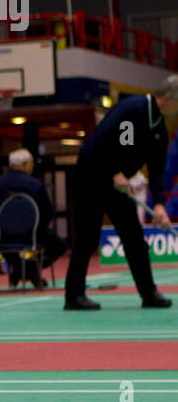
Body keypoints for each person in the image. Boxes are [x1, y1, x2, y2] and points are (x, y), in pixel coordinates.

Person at [64, 80, 178, 310]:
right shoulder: (132, 110)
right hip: (92, 176)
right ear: (168, 99)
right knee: (87, 237)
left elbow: (157, 170)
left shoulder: (159, 129)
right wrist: (115, 171)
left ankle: (149, 294)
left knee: (134, 238)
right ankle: (73, 296)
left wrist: (158, 205)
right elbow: (106, 140)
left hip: (117, 184)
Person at [0, 147, 67, 288]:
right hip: (32, 237)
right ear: (25, 164)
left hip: (4, 237)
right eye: (31, 163)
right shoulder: (35, 185)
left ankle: (19, 269)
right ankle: (31, 269)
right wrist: (35, 229)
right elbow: (47, 213)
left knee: (14, 248)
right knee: (60, 245)